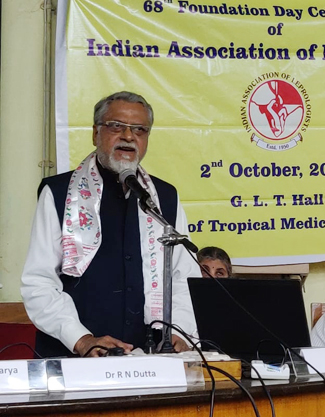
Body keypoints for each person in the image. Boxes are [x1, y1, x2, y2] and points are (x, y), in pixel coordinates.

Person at [21, 91, 201, 357]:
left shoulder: (164, 198)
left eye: (139, 129)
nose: (128, 136)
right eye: (116, 126)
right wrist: (81, 339)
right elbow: (39, 282)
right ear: (96, 133)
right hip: (75, 357)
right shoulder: (59, 193)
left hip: (151, 359)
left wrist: (178, 333)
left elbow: (183, 278)